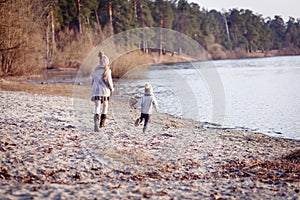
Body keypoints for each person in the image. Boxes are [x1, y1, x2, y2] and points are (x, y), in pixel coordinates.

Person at [91, 51, 114, 132]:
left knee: (97, 106)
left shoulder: (95, 70)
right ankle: (102, 123)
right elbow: (109, 81)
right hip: (104, 91)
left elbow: (92, 81)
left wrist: (92, 89)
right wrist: (112, 89)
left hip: (96, 91)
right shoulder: (107, 71)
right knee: (105, 105)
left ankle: (96, 123)